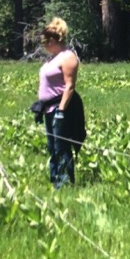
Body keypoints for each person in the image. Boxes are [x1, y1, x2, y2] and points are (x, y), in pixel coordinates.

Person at [36, 18, 84, 189]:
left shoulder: (68, 57)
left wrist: (61, 111)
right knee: (52, 146)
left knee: (61, 146)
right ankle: (55, 179)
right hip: (48, 108)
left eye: (44, 41)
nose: (43, 45)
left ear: (53, 40)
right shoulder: (53, 58)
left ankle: (64, 184)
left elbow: (70, 86)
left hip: (60, 108)